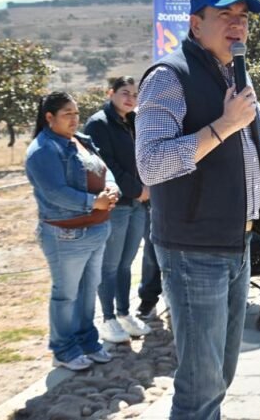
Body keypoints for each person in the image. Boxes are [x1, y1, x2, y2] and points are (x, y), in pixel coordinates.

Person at [135, 0, 260, 420]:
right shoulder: (168, 77)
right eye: (225, 15)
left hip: (237, 244)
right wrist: (224, 125)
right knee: (200, 385)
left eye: (243, 17)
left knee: (221, 376)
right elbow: (152, 164)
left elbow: (252, 152)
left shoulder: (235, 74)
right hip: (193, 249)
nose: (237, 25)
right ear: (196, 24)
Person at [26, 92, 119, 371]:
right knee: (66, 294)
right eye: (67, 114)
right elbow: (54, 192)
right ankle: (63, 349)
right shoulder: (43, 150)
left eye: (76, 113)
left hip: (94, 230)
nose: (74, 119)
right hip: (66, 235)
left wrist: (112, 186)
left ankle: (87, 342)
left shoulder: (80, 141)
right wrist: (93, 202)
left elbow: (104, 169)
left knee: (88, 291)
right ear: (49, 117)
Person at [84, 76, 151, 342]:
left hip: (139, 203)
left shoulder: (134, 121)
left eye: (135, 95)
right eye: (125, 93)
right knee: (110, 265)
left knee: (126, 263)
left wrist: (146, 188)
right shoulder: (99, 123)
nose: (130, 99)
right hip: (117, 203)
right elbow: (106, 164)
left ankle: (124, 313)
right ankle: (108, 318)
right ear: (110, 93)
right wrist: (137, 189)